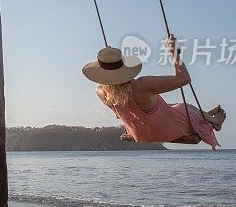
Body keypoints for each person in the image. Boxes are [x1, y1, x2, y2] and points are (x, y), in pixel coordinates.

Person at [83, 34, 226, 149]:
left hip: (139, 134)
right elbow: (184, 79)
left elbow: (122, 114)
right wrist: (174, 53)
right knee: (186, 108)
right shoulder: (142, 86)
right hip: (166, 130)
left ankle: (206, 115)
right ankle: (215, 120)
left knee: (172, 106)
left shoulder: (101, 92)